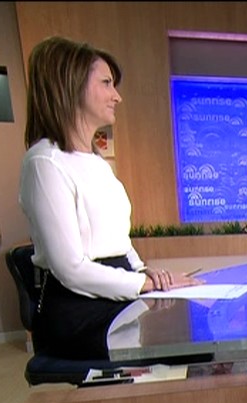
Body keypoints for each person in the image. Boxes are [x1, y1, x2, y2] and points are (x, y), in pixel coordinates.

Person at [19, 36, 199, 360]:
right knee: (185, 352)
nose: (117, 96)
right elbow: (70, 269)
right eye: (106, 83)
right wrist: (141, 284)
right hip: (79, 308)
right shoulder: (45, 162)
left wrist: (147, 273)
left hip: (117, 292)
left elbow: (119, 240)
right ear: (71, 86)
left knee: (195, 337)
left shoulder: (96, 162)